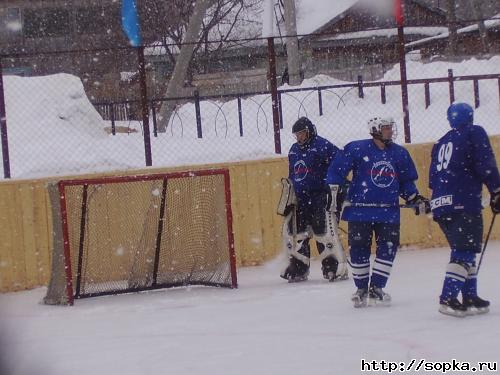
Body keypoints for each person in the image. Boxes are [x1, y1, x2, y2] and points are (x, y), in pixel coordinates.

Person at [326, 117, 430, 307]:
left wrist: (414, 198)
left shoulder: (399, 153)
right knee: (358, 250)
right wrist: (338, 191)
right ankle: (361, 289)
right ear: (375, 130)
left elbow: (406, 182)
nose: (390, 131)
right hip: (360, 212)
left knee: (388, 249)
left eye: (390, 127)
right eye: (386, 128)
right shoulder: (357, 148)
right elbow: (335, 172)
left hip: (388, 213)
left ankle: (377, 288)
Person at [429, 102, 500, 317]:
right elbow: (485, 163)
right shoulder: (474, 132)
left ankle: (470, 296)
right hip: (463, 201)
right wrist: (496, 189)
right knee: (464, 251)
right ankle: (448, 298)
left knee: (464, 249)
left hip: (441, 204)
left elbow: (432, 179)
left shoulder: (441, 142)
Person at [278, 117, 348, 283]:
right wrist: (290, 195)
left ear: (309, 131)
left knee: (324, 233)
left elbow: (341, 165)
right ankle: (298, 268)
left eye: (301, 133)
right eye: (296, 135)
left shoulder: (322, 145)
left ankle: (334, 267)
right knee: (297, 234)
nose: (299, 137)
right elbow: (293, 174)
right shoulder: (294, 150)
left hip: (320, 197)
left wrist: (332, 188)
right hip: (300, 199)